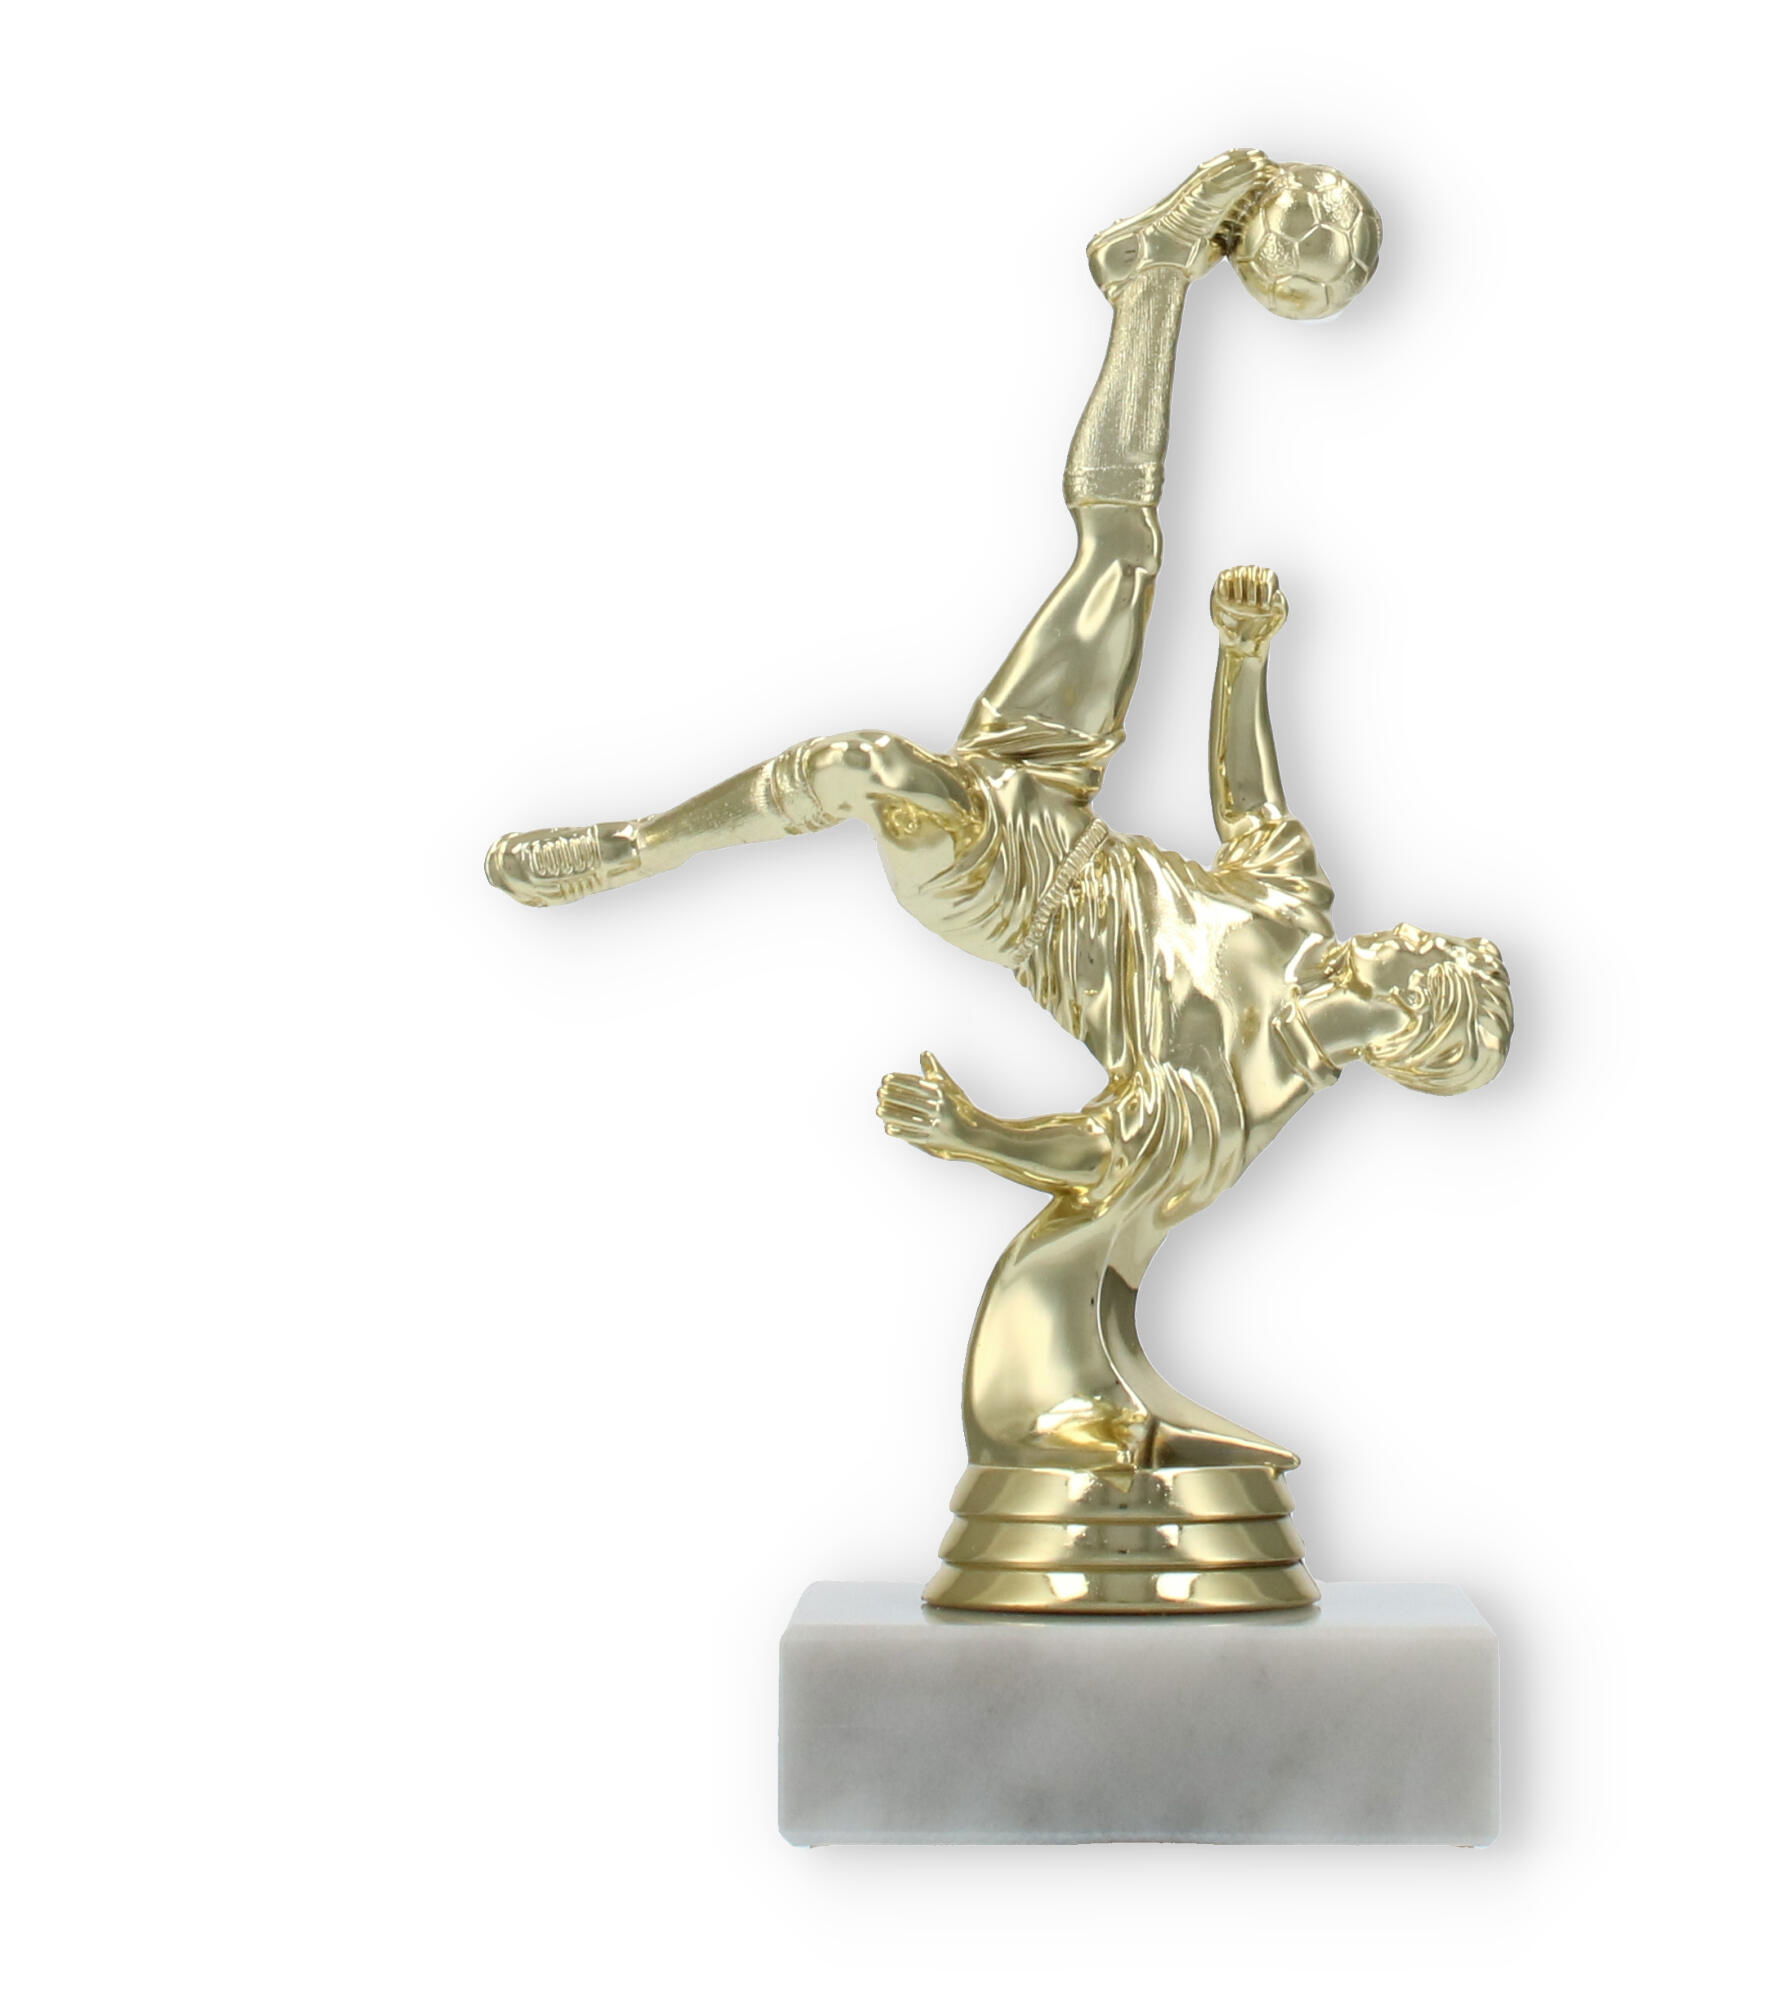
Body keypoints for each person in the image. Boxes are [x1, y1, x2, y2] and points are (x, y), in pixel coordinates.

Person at [486, 152, 1511, 1476]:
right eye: (1439, 944)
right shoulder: (1301, 924)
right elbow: (1252, 809)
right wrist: (1244, 655)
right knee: (1123, 544)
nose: (1424, 937)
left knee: (867, 765)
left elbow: (1106, 1157)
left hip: (1007, 891)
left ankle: (634, 849)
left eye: (1438, 962)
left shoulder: (1249, 1093)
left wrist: (973, 1134)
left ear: (1418, 1025)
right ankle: (1149, 278)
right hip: (1056, 794)